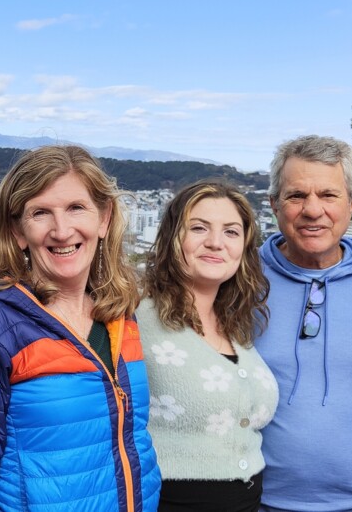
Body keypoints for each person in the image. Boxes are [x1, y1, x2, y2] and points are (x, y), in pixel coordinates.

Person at [0, 145, 161, 511]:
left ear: (104, 218)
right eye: (40, 213)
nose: (62, 231)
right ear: (18, 231)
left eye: (75, 208)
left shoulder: (117, 311)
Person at [254, 135, 352, 512]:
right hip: (257, 499)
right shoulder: (237, 281)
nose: (312, 210)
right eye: (296, 196)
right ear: (274, 204)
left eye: (329, 195)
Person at [137, 180, 277, 511]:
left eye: (231, 232)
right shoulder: (136, 315)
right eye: (199, 228)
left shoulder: (235, 326)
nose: (216, 243)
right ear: (174, 238)